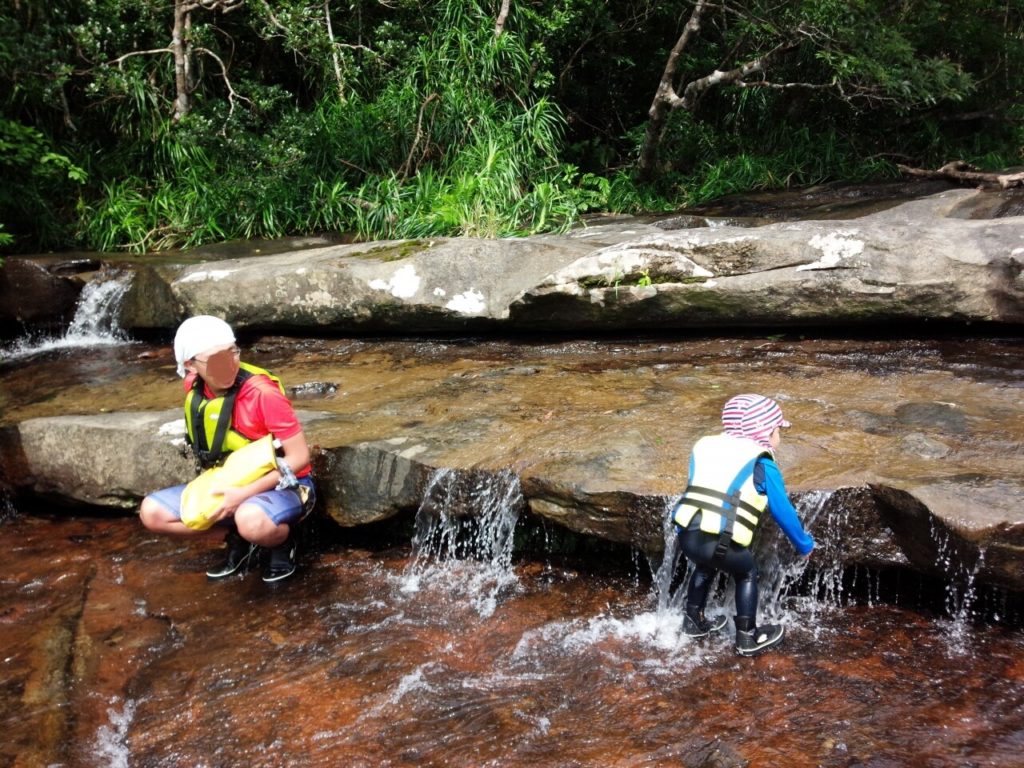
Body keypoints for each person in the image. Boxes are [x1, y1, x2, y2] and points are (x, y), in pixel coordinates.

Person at [139, 315, 315, 583]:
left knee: (250, 519)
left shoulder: (262, 394)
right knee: (151, 513)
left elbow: (300, 457)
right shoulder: (195, 386)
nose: (228, 365)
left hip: (285, 485)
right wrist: (234, 493)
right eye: (215, 359)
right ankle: (238, 539)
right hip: (230, 479)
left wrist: (243, 494)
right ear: (190, 365)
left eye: (232, 352)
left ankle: (282, 542)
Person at [670, 393, 814, 656]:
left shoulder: (704, 446)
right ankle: (748, 636)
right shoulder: (762, 462)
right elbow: (783, 511)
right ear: (764, 432)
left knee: (705, 566)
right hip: (723, 542)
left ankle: (693, 620)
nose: (779, 436)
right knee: (747, 573)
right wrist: (804, 544)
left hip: (687, 535)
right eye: (777, 429)